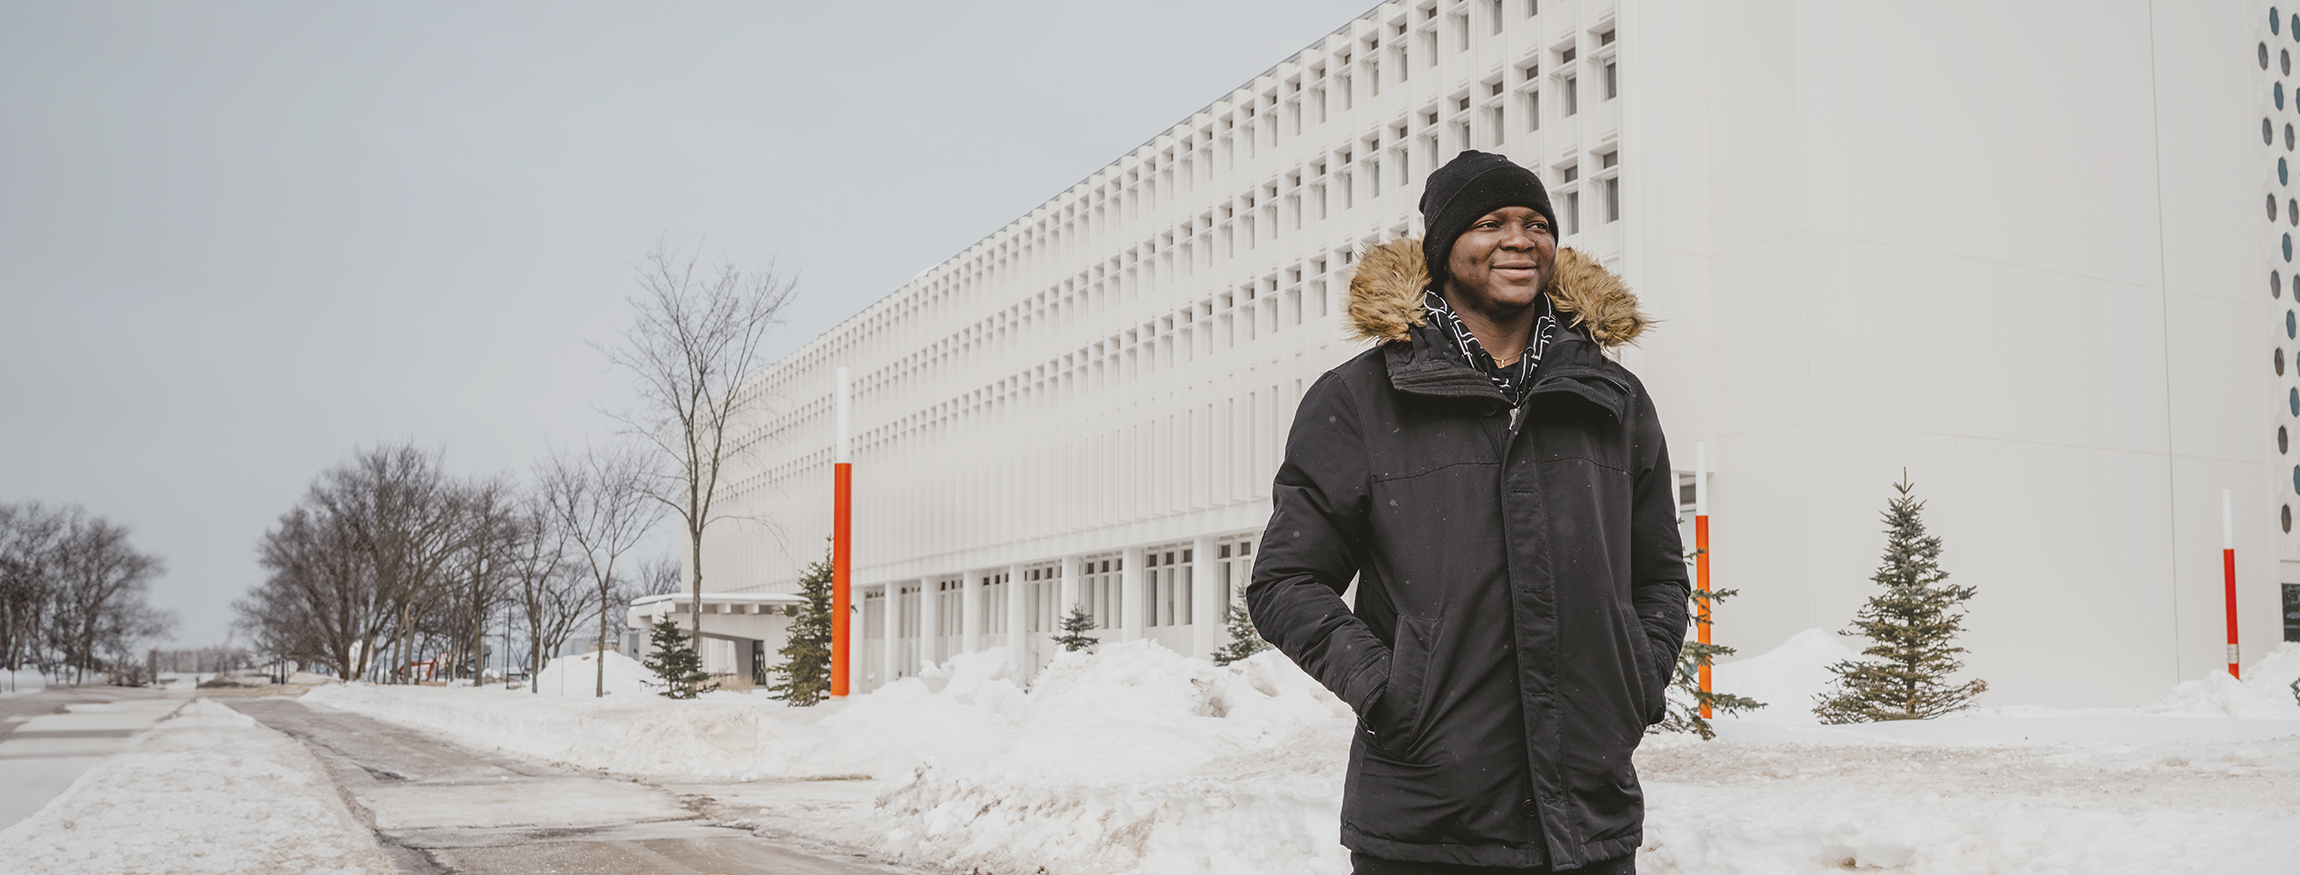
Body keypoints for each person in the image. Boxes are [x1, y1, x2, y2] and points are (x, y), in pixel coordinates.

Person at [1247, 150, 1688, 875]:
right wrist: (1391, 690)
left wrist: (1635, 679)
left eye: (1536, 223)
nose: (1520, 239)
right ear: (1445, 248)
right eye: (1491, 222)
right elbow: (1285, 580)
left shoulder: (1612, 398)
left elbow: (1660, 575)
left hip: (1586, 822)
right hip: (1426, 824)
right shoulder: (1361, 399)